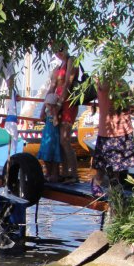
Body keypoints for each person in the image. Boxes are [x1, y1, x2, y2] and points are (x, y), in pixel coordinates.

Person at [91, 78, 134, 196]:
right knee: (102, 165)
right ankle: (96, 183)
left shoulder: (122, 83)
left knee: (117, 167)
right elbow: (102, 86)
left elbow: (131, 100)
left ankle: (114, 188)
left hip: (123, 130)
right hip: (107, 131)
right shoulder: (104, 84)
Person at [46, 43, 79, 182]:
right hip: (58, 104)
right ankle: (65, 172)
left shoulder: (72, 61)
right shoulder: (58, 67)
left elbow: (68, 83)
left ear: (65, 48)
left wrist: (59, 104)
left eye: (60, 49)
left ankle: (74, 174)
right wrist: (46, 106)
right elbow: (53, 86)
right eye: (55, 50)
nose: (58, 53)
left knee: (64, 139)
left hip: (68, 103)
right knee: (60, 140)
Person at [37, 92, 62, 181]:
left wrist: (54, 115)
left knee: (53, 155)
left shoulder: (55, 113)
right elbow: (43, 119)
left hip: (53, 136)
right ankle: (49, 173)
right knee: (46, 155)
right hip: (47, 135)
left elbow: (56, 123)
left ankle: (54, 174)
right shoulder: (48, 113)